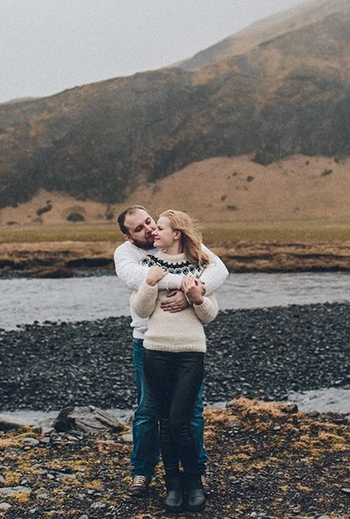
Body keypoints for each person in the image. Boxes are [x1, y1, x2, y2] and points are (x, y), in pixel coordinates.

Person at [114, 206, 228, 500]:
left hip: (188, 345)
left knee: (192, 412)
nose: (149, 229)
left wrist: (193, 296)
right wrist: (183, 282)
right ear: (129, 237)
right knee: (149, 411)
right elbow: (138, 282)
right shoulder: (126, 255)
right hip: (146, 341)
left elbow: (220, 270)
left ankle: (196, 472)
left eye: (149, 221)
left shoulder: (184, 246)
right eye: (139, 228)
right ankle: (143, 471)